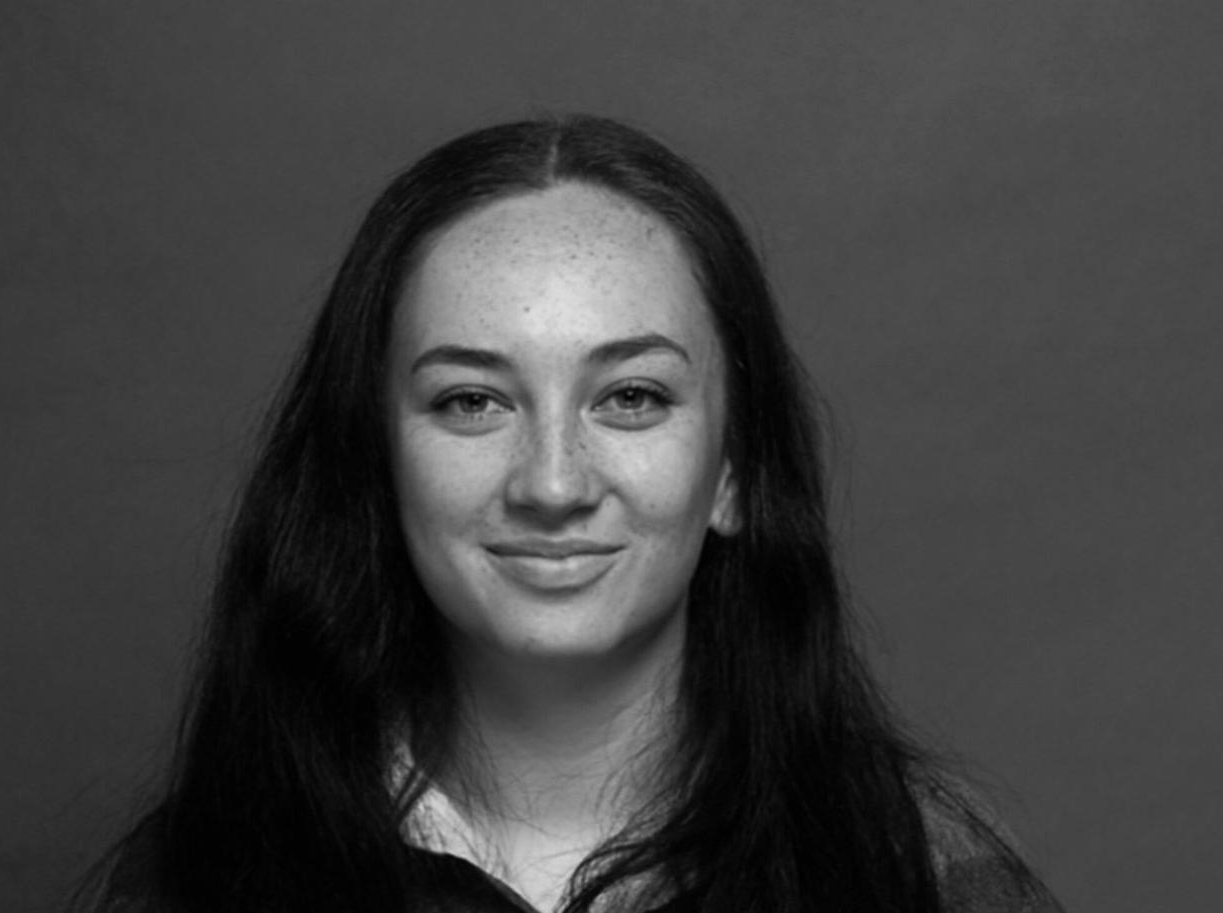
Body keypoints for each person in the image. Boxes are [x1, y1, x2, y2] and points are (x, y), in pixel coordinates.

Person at [84, 114, 1061, 913]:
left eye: (631, 397)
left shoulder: (921, 873)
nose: (552, 485)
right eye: (472, 401)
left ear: (735, 469)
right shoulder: (197, 879)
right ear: (376, 464)